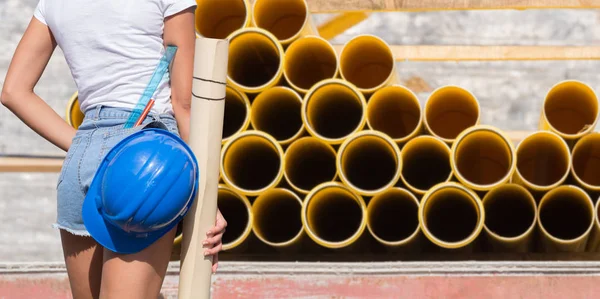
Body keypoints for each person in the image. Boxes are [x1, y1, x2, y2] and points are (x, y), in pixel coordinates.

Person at [1, 0, 227, 298]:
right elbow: (183, 105)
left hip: (83, 156)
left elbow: (13, 92)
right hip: (147, 160)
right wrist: (208, 198)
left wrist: (87, 146)